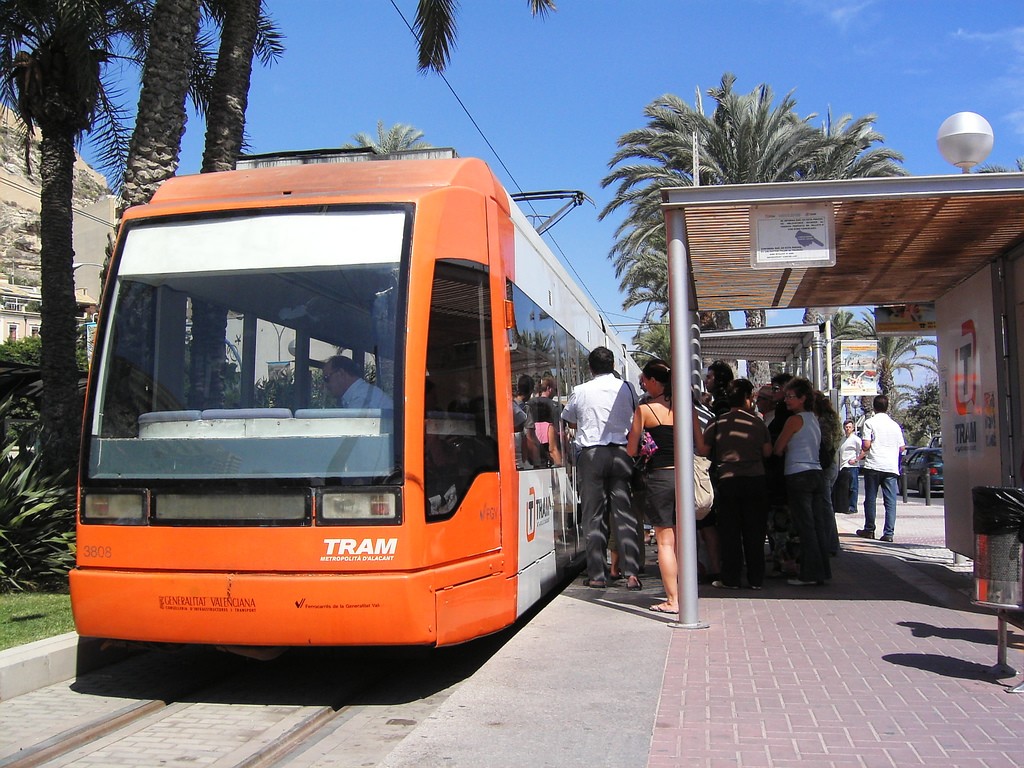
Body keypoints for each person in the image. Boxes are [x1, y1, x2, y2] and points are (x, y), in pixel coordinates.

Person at [626, 359, 706, 613]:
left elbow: (631, 449)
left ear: (654, 382)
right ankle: (688, 596)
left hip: (659, 478)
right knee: (684, 539)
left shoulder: (645, 410)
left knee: (665, 542)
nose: (644, 386)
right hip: (685, 477)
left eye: (646, 381)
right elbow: (701, 446)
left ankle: (673, 600)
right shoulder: (687, 408)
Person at [561, 347, 640, 590]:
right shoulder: (627, 388)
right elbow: (636, 414)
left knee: (593, 515)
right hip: (621, 453)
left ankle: (597, 574)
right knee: (623, 513)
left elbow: (570, 418)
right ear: (612, 364)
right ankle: (631, 574)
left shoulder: (580, 391)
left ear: (591, 368)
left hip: (592, 454)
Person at [703, 378, 772, 590]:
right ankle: (756, 578)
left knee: (730, 532)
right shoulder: (757, 422)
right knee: (755, 531)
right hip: (755, 479)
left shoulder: (717, 422)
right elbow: (768, 452)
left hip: (728, 481)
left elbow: (704, 450)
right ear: (747, 399)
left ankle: (731, 578)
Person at [773, 376, 831, 586]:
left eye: (791, 397)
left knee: (805, 526)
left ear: (802, 398)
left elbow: (778, 448)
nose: (786, 400)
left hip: (798, 475)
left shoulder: (794, 420)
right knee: (817, 525)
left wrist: (784, 448)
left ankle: (808, 573)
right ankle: (822, 570)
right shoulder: (813, 418)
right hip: (816, 474)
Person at [856, 394, 907, 543]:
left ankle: (869, 529)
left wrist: (872, 445)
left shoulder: (870, 423)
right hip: (891, 466)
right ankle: (889, 533)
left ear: (874, 407)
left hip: (874, 464)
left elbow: (866, 444)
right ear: (887, 407)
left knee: (870, 499)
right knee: (890, 501)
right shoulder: (895, 425)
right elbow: (901, 447)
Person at [323, 355, 391, 409]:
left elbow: (353, 425)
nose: (326, 385)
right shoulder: (363, 392)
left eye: (326, 378)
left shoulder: (361, 397)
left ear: (341, 373)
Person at [834, 420, 861, 516]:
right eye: (846, 427)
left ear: (853, 428)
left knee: (853, 487)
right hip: (843, 466)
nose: (847, 429)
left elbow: (863, 451)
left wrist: (856, 460)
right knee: (845, 488)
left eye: (849, 427)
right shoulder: (842, 439)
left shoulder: (856, 439)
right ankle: (844, 506)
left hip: (852, 466)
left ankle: (853, 507)